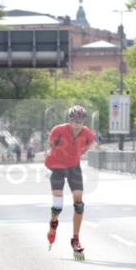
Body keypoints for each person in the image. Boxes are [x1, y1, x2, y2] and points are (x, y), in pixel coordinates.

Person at [45, 105, 96, 260]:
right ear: (69, 120)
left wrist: (75, 156)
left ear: (84, 121)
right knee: (58, 206)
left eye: (80, 121)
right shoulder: (58, 130)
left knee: (79, 204)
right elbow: (51, 144)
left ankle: (75, 239)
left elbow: (85, 148)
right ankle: (53, 224)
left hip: (74, 167)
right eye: (74, 121)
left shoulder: (88, 134)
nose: (77, 124)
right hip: (57, 166)